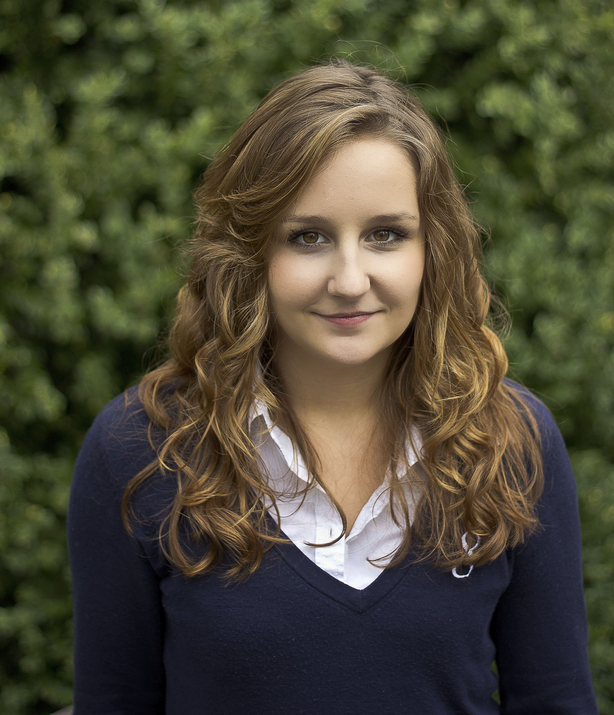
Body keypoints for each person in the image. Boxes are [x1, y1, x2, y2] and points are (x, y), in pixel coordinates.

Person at [67, 60, 597, 714]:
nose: (349, 281)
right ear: (251, 250)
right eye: (308, 237)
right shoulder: (141, 450)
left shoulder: (512, 440)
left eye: (386, 235)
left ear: (433, 248)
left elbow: (554, 700)